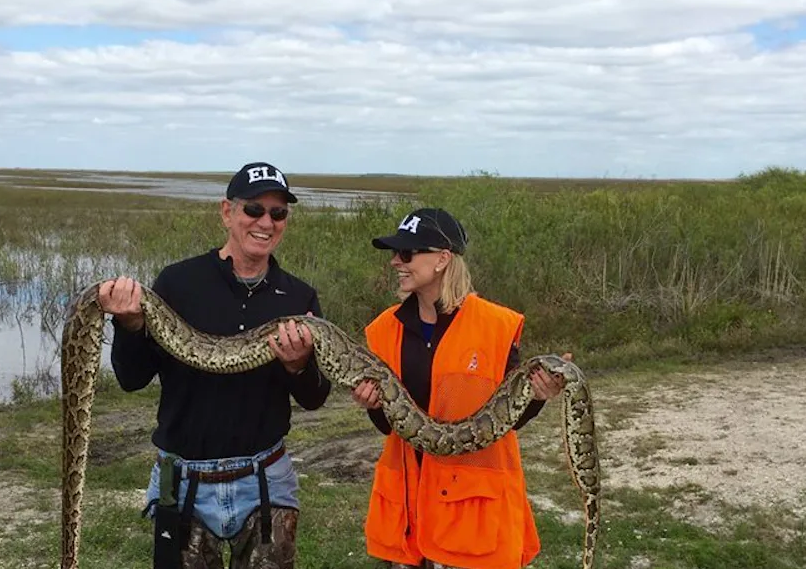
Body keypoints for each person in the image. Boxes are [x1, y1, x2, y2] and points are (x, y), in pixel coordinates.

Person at [98, 161, 330, 569]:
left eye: (278, 213)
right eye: (253, 210)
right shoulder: (178, 282)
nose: (266, 222)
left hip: (266, 481)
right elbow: (132, 379)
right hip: (184, 480)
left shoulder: (298, 297)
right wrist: (131, 324)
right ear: (227, 212)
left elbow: (314, 397)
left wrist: (298, 366)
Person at [350, 207, 566, 569]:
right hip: (407, 517)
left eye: (406, 254)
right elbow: (389, 427)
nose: (395, 263)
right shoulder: (384, 329)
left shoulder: (496, 325)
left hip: (471, 521)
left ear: (442, 259)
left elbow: (505, 420)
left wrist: (538, 395)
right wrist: (372, 404)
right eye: (393, 254)